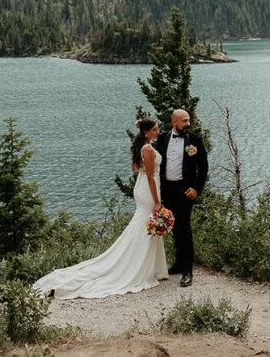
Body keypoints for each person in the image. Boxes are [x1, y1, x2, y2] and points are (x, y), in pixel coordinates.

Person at [32, 117, 169, 298]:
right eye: (155, 130)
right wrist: (157, 201)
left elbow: (136, 169)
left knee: (143, 225)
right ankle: (139, 267)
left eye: (157, 129)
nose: (158, 132)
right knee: (146, 226)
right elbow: (151, 176)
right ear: (146, 132)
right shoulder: (149, 149)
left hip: (140, 188)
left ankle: (154, 267)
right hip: (148, 190)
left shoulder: (141, 148)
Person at [156, 108, 208, 287]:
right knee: (174, 227)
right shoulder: (162, 138)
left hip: (186, 191)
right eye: (184, 121)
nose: (188, 124)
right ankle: (178, 264)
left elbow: (204, 167)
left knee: (184, 228)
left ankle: (188, 270)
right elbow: (158, 165)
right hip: (168, 190)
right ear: (174, 122)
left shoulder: (195, 140)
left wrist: (196, 189)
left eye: (188, 120)